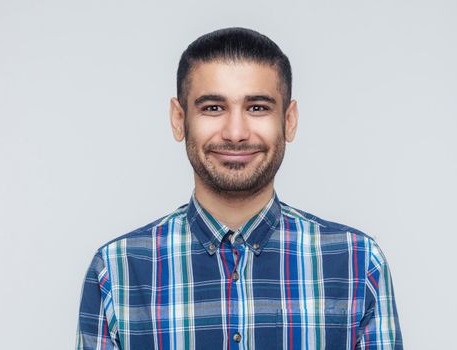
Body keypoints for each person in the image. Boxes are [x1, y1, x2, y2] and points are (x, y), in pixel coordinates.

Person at [75, 27, 403, 350]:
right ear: (179, 119)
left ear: (289, 121)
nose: (235, 133)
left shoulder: (357, 264)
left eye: (257, 107)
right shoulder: (117, 272)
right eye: (213, 108)